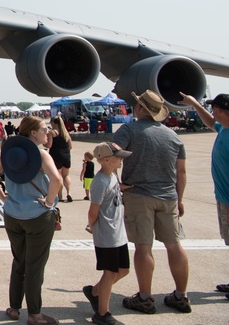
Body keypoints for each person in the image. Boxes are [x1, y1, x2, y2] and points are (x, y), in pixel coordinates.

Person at [112, 89, 191, 314]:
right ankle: (181, 295)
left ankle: (145, 297)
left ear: (139, 108)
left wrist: (117, 182)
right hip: (168, 196)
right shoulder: (173, 136)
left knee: (143, 247)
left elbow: (112, 154)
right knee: (174, 245)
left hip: (139, 195)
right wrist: (180, 198)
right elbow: (182, 171)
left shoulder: (128, 130)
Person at [0, 116, 63, 325]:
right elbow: (57, 180)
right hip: (37, 216)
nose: (48, 132)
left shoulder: (11, 153)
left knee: (19, 261)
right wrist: (48, 202)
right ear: (33, 133)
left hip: (12, 214)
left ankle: (14, 307)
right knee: (35, 265)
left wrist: (2, 197)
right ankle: (35, 314)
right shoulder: (41, 155)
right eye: (44, 129)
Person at [179, 92, 229, 298]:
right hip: (223, 198)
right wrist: (194, 104)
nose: (212, 112)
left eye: (213, 109)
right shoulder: (224, 128)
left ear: (218, 110)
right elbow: (210, 123)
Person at [83, 142, 133, 325]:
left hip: (118, 233)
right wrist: (92, 225)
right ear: (106, 159)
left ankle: (95, 291)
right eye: (118, 156)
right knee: (110, 273)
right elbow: (93, 210)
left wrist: (123, 187)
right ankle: (102, 313)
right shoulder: (100, 181)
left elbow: (114, 191)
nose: (121, 159)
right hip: (107, 234)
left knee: (123, 270)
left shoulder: (111, 176)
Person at [47, 116, 74, 202]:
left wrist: (44, 145)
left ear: (54, 123)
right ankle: (69, 193)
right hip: (66, 155)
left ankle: (60, 196)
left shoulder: (52, 132)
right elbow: (70, 146)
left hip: (56, 155)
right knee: (66, 175)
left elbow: (49, 145)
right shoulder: (66, 133)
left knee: (58, 176)